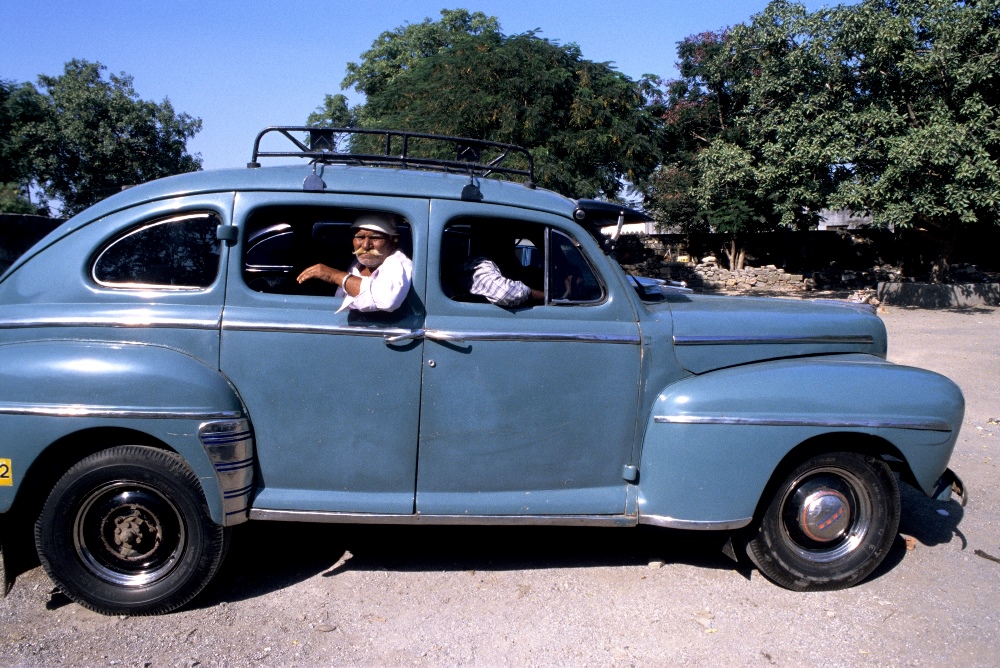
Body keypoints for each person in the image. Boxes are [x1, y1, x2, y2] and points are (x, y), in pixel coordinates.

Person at [296, 213, 412, 313]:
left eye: (375, 238)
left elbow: (387, 300)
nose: (366, 245)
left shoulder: (398, 264)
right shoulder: (358, 263)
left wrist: (335, 276)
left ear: (393, 241)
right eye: (360, 237)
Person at [460, 227, 544, 307]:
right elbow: (505, 293)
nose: (510, 244)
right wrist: (545, 296)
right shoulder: (477, 264)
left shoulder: (505, 261)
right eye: (506, 238)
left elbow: (520, 274)